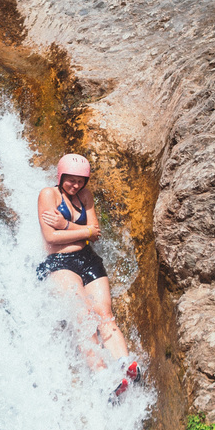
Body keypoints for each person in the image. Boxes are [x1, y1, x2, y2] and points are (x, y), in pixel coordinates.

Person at [37, 154, 142, 400]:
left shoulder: (85, 196)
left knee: (105, 314)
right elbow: (51, 237)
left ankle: (125, 364)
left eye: (80, 181)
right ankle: (104, 378)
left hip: (88, 259)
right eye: (70, 180)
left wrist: (65, 225)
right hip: (60, 262)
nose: (75, 185)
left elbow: (95, 234)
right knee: (84, 317)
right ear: (60, 176)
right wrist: (83, 231)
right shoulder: (48, 195)